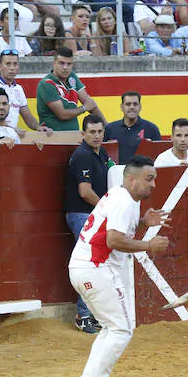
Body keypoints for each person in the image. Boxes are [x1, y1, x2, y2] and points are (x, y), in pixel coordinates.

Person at [69, 155, 170, 377]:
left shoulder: (124, 197)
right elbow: (113, 240)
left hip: (85, 267)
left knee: (112, 328)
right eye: (149, 179)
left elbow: (117, 233)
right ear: (131, 179)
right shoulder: (124, 201)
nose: (153, 184)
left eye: (154, 179)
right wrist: (148, 245)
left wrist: (144, 222)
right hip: (95, 268)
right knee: (121, 329)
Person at [64, 114, 113, 334]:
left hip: (91, 215)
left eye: (100, 131)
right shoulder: (83, 155)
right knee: (91, 265)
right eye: (92, 132)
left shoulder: (101, 153)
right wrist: (106, 209)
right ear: (82, 134)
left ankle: (90, 314)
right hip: (83, 215)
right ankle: (83, 315)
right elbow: (85, 192)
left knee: (96, 265)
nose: (96, 135)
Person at [0, 49, 51, 134]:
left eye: (15, 64)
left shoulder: (18, 88)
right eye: (8, 64)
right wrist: (10, 129)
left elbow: (27, 116)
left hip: (11, 137)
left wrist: (38, 127)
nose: (12, 68)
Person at [36, 47, 104, 131]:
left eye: (69, 64)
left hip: (74, 136)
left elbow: (89, 103)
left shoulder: (71, 76)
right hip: (53, 137)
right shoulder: (46, 83)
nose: (65, 67)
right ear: (54, 64)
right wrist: (83, 108)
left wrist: (107, 127)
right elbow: (62, 115)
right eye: (61, 63)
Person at [104, 91, 162, 163]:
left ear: (140, 107)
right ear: (122, 107)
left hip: (142, 173)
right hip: (116, 172)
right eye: (128, 104)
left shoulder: (152, 129)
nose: (132, 107)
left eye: (135, 104)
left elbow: (159, 158)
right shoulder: (109, 129)